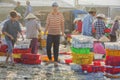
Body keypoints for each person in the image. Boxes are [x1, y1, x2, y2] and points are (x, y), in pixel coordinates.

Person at [44, 2, 65, 67]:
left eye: (56, 6)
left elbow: (62, 24)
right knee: (48, 47)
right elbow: (47, 24)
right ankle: (50, 59)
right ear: (52, 7)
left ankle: (55, 61)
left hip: (57, 34)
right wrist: (44, 33)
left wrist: (62, 33)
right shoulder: (49, 15)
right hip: (50, 34)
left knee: (56, 48)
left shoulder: (60, 15)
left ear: (58, 7)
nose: (55, 7)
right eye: (54, 6)